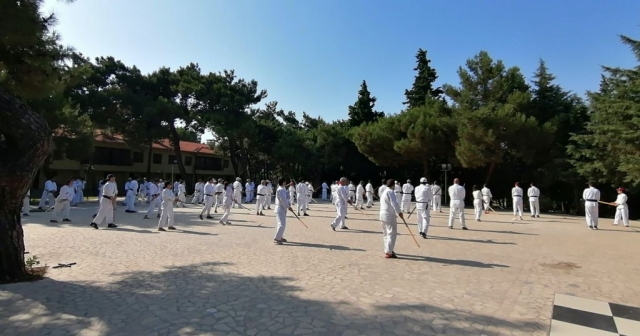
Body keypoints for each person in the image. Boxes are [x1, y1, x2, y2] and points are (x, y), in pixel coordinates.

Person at [379, 179, 404, 258]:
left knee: (386, 234)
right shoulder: (390, 192)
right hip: (388, 215)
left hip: (382, 214)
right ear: (393, 185)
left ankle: (387, 249)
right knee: (392, 234)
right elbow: (394, 203)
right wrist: (399, 212)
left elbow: (388, 204)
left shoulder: (384, 192)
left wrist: (394, 212)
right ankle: (389, 252)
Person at [274, 178, 295, 245]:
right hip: (280, 207)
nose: (286, 183)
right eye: (285, 182)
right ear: (283, 182)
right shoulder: (281, 190)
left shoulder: (283, 189)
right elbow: (283, 200)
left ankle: (280, 237)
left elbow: (286, 198)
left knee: (281, 223)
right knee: (282, 224)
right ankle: (277, 238)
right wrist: (288, 207)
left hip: (282, 207)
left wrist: (288, 205)